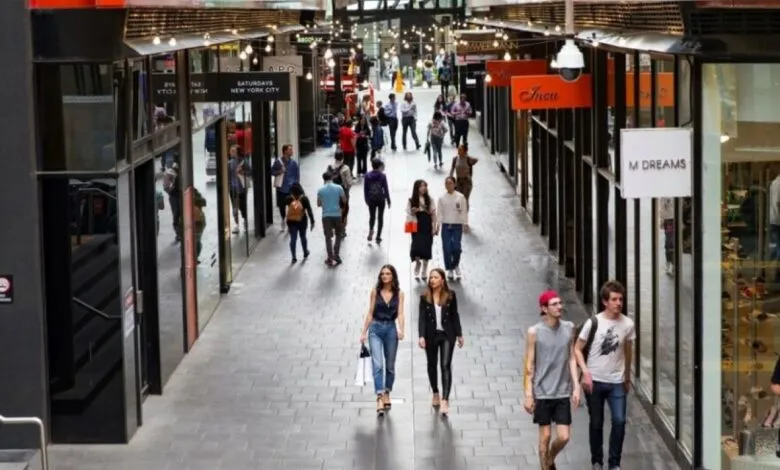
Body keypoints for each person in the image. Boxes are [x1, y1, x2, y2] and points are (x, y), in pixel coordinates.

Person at [574, 281, 635, 470]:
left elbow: (628, 349)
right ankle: (597, 460)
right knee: (597, 423)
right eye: (614, 299)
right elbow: (577, 349)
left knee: (620, 420)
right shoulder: (593, 323)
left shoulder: (628, 324)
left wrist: (626, 376)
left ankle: (614, 463)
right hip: (595, 381)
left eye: (621, 299)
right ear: (605, 302)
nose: (618, 303)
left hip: (616, 381)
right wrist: (585, 372)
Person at [524, 290, 581, 470]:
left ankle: (550, 457)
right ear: (544, 308)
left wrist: (576, 387)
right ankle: (545, 466)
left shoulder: (570, 327)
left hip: (562, 390)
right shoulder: (534, 332)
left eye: (560, 303)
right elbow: (529, 364)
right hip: (542, 391)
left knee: (564, 437)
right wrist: (528, 394)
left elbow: (572, 357)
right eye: (554, 304)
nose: (559, 307)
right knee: (545, 436)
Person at [359, 265, 406, 417]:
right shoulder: (375, 292)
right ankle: (379, 396)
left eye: (388, 274)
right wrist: (363, 332)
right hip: (376, 329)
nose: (384, 276)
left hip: (391, 329)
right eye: (382, 274)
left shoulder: (399, 294)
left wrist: (401, 329)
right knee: (378, 364)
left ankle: (387, 392)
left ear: (393, 276)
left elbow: (400, 313)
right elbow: (370, 312)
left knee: (390, 365)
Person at [418, 268, 464, 417]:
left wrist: (459, 334)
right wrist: (421, 336)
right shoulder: (424, 297)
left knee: (445, 365)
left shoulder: (450, 296)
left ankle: (445, 399)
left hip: (446, 335)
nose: (432, 280)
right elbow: (422, 318)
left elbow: (454, 315)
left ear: (442, 280)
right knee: (432, 365)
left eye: (435, 277)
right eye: (431, 278)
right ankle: (435, 392)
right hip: (431, 335)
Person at [436, 177, 469, 280]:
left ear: (454, 184)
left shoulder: (461, 197)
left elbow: (464, 210)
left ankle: (455, 264)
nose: (448, 185)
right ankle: (450, 268)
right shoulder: (442, 198)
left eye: (450, 183)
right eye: (446, 183)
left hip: (457, 226)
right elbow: (440, 212)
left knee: (456, 247)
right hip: (446, 226)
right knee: (447, 248)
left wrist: (465, 223)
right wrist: (438, 225)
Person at [317, 171, 347, 267]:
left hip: (326, 216)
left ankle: (330, 257)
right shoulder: (338, 187)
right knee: (338, 235)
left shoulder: (320, 190)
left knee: (328, 237)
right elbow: (344, 200)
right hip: (337, 215)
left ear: (323, 179)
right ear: (332, 178)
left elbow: (318, 204)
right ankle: (336, 255)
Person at [408, 179, 436, 280]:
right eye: (421, 186)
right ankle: (418, 263)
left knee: (426, 247)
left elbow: (433, 214)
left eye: (424, 186)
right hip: (416, 225)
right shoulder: (411, 200)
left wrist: (435, 227)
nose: (423, 188)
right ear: (416, 188)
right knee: (415, 248)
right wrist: (413, 211)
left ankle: (424, 268)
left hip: (427, 225)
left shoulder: (430, 199)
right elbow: (408, 215)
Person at [271, 144, 300, 230]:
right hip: (281, 188)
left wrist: (296, 185)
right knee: (282, 206)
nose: (292, 151)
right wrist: (280, 171)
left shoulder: (294, 163)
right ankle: (283, 218)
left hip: (291, 188)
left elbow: (297, 175)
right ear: (285, 151)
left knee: (292, 206)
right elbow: (272, 171)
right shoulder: (278, 162)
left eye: (292, 149)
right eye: (290, 149)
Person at [284, 183, 315, 264]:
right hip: (302, 220)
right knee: (303, 236)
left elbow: (282, 207)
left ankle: (294, 257)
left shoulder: (288, 198)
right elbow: (309, 211)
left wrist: (285, 217)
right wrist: (312, 221)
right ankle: (305, 252)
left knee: (293, 238)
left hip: (291, 222)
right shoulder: (304, 198)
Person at [364, 159, 391, 244]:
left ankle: (371, 229)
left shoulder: (367, 176)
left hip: (371, 199)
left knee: (372, 216)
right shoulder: (382, 176)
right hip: (380, 199)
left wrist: (366, 199)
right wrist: (388, 200)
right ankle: (378, 236)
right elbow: (386, 189)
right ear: (379, 166)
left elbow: (366, 189)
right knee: (380, 217)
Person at [228, 145, 251, 234]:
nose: (231, 153)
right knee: (234, 208)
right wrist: (229, 186)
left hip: (242, 187)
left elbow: (250, 173)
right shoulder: (230, 163)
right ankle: (237, 225)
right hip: (233, 189)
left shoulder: (244, 162)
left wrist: (242, 172)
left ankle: (245, 220)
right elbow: (228, 177)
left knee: (243, 206)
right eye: (231, 151)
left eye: (233, 151)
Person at [327, 151, 353, 232]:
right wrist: (347, 188)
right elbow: (349, 183)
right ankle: (342, 229)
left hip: (331, 192)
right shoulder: (346, 168)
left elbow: (326, 180)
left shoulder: (329, 167)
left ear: (335, 157)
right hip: (343, 193)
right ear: (343, 158)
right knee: (344, 210)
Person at [449, 144, 478, 209]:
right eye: (458, 149)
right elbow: (452, 169)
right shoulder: (455, 159)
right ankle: (458, 213)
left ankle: (465, 215)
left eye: (460, 149)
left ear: (465, 151)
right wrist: (450, 178)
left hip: (467, 182)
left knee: (465, 199)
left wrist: (467, 155)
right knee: (458, 199)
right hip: (458, 181)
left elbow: (476, 160)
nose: (458, 151)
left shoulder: (468, 159)